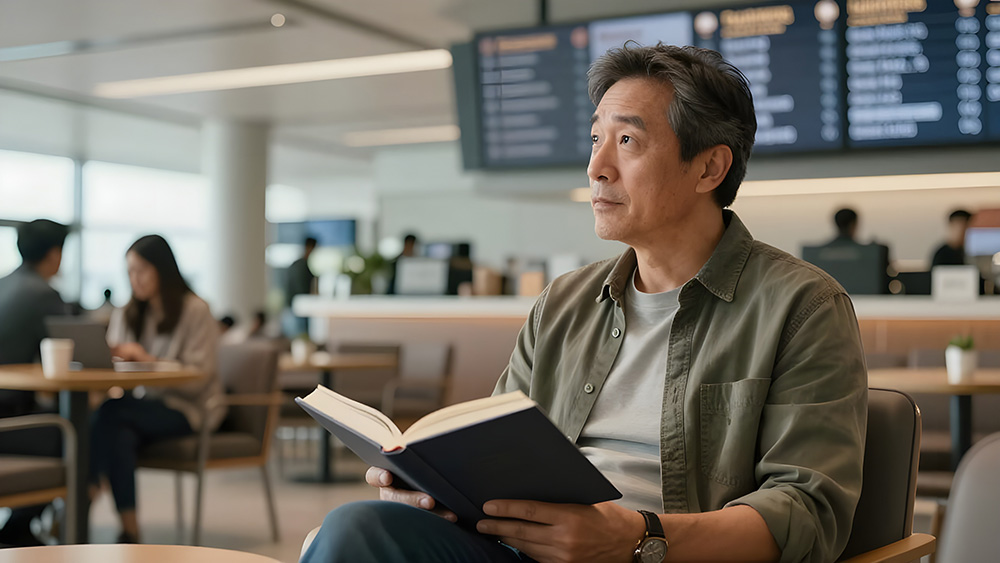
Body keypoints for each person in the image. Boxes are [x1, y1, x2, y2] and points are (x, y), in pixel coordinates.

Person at [303, 44, 867, 563]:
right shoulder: (563, 303)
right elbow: (488, 447)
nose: (597, 166)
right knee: (355, 529)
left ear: (709, 167)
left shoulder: (802, 306)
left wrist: (638, 538)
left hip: (664, 555)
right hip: (521, 550)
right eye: (596, 139)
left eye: (627, 141)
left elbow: (806, 513)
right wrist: (434, 485)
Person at [90, 235, 223, 544]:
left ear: (163, 269)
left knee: (111, 413)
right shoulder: (127, 313)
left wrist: (147, 361)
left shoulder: (196, 310)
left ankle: (89, 487)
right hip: (138, 409)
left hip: (188, 409)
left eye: (142, 270)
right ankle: (131, 531)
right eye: (130, 272)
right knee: (118, 433)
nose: (135, 279)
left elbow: (199, 379)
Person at [0, 219, 70, 546]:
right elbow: (75, 354)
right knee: (81, 435)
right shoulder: (43, 294)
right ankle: (20, 530)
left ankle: (20, 529)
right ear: (55, 254)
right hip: (8, 424)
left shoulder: (3, 284)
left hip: (10, 414)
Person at [283, 237, 317, 337]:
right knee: (300, 337)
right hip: (297, 308)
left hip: (296, 307)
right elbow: (301, 289)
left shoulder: (299, 264)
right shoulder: (300, 266)